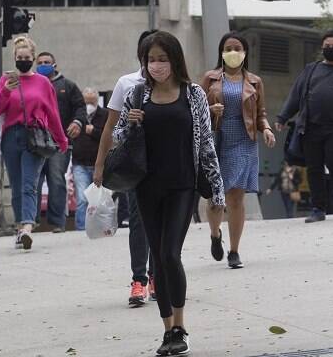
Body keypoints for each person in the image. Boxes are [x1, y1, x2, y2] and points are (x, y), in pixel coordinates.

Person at [114, 30, 224, 356]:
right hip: (147, 187)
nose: (157, 65)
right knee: (158, 261)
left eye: (162, 59)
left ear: (174, 60)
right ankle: (167, 331)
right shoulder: (137, 95)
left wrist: (216, 189)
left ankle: (180, 326)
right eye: (151, 60)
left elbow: (205, 141)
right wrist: (131, 124)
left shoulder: (193, 95)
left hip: (182, 186)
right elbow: (120, 134)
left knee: (169, 254)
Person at [201, 31, 276, 269]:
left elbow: (261, 112)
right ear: (222, 53)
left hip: (245, 140)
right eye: (228, 48)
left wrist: (266, 129)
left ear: (245, 52)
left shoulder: (254, 81)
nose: (233, 53)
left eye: (237, 48)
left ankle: (234, 251)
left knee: (236, 198)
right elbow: (197, 108)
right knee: (215, 197)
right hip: (217, 139)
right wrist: (212, 110)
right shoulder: (210, 79)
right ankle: (215, 234)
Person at [93, 30, 157, 306]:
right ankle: (139, 279)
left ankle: (157, 275)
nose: (155, 62)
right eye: (150, 55)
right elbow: (110, 127)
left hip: (168, 165)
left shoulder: (179, 85)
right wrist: (99, 165)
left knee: (163, 224)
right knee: (139, 221)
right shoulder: (127, 83)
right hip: (136, 165)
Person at [275, 29, 333, 224]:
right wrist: (282, 117)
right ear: (322, 48)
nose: (331, 49)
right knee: (314, 168)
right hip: (310, 127)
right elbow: (295, 95)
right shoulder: (311, 70)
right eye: (327, 47)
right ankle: (318, 208)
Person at [0, 37, 68, 250]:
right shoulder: (5, 80)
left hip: (35, 136)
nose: (23, 60)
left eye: (27, 58)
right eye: (19, 58)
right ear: (14, 58)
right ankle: (20, 227)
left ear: (33, 59)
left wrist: (61, 139)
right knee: (16, 185)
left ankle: (27, 226)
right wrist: (6, 89)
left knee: (28, 184)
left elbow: (52, 112)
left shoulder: (43, 83)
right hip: (11, 137)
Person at [34, 51, 86, 233]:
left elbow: (80, 107)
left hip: (59, 142)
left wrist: (77, 122)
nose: (43, 64)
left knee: (56, 180)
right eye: (39, 62)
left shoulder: (68, 86)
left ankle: (57, 222)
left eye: (47, 62)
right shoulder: (31, 85)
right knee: (34, 182)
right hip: (35, 143)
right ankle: (29, 221)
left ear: (55, 65)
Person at [71, 87, 108, 231]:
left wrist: (94, 131)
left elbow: (109, 136)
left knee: (99, 199)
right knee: (82, 198)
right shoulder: (78, 117)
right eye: (86, 102)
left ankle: (100, 226)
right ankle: (80, 227)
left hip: (98, 163)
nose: (89, 105)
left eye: (92, 102)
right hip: (79, 163)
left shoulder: (104, 114)